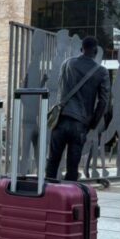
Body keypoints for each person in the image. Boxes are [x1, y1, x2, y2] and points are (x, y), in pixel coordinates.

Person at [45, 36, 111, 182]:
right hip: (80, 124)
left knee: (53, 162)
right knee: (73, 167)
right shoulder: (101, 72)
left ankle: (46, 195)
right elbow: (103, 102)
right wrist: (92, 124)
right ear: (95, 52)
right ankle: (69, 198)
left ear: (81, 49)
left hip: (61, 119)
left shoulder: (67, 63)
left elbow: (61, 89)